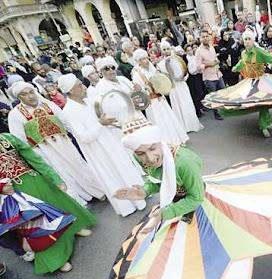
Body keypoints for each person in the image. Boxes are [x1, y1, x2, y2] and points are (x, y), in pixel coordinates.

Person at [0, 133, 96, 274]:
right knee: (37, 222)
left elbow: (33, 158)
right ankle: (56, 258)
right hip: (13, 193)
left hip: (34, 179)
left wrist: (53, 177)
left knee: (59, 203)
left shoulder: (7, 137)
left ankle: (73, 229)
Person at [58, 74, 146, 217]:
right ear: (71, 91)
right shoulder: (68, 111)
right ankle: (127, 206)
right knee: (113, 176)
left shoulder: (89, 101)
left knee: (125, 168)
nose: (84, 87)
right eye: (79, 85)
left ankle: (139, 196)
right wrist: (100, 124)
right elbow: (84, 137)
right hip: (98, 151)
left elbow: (104, 116)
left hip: (110, 142)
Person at [204, 29, 272, 138]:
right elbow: (242, 62)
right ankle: (266, 123)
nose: (247, 41)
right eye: (245, 39)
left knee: (264, 101)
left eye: (249, 39)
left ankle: (264, 125)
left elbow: (271, 58)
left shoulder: (259, 51)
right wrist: (236, 67)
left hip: (262, 80)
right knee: (258, 102)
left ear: (253, 41)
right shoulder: (243, 53)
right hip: (250, 82)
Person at [7, 82, 104, 205]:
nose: (30, 96)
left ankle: (97, 191)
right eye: (24, 94)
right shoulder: (15, 114)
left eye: (31, 92)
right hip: (44, 150)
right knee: (61, 173)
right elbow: (19, 140)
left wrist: (79, 136)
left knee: (79, 166)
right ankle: (78, 202)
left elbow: (66, 121)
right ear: (19, 98)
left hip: (64, 144)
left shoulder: (48, 104)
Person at [131, 49, 189, 145]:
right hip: (151, 102)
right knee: (159, 122)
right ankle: (167, 143)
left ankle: (176, 140)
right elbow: (139, 91)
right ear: (138, 61)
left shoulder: (152, 68)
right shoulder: (137, 74)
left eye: (146, 58)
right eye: (142, 59)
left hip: (160, 99)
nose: (145, 61)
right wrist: (146, 89)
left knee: (168, 119)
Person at [157, 41, 203, 133]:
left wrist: (183, 78)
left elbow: (184, 71)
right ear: (161, 51)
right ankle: (183, 127)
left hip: (182, 85)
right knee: (178, 105)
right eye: (164, 49)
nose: (166, 51)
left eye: (167, 49)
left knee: (187, 104)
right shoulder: (160, 64)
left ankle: (191, 124)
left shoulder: (178, 59)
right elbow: (163, 78)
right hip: (173, 88)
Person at [196, 30, 226, 120]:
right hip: (209, 78)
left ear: (209, 37)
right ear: (200, 38)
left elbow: (215, 59)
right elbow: (198, 67)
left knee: (223, 93)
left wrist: (217, 61)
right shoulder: (198, 51)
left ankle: (223, 110)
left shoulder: (212, 47)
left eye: (206, 36)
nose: (205, 38)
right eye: (203, 37)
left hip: (218, 74)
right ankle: (217, 114)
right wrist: (208, 64)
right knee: (213, 97)